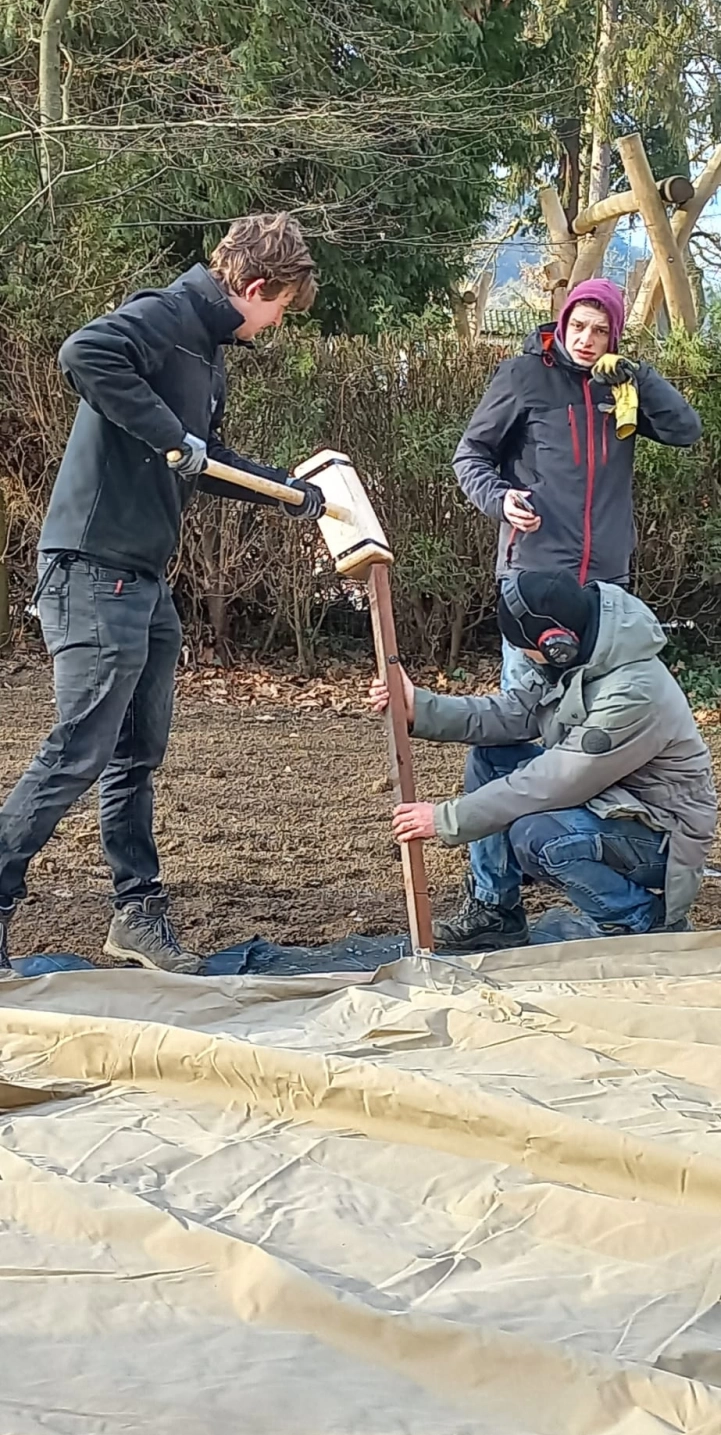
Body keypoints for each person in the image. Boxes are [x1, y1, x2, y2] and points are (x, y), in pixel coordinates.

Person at [0, 212, 327, 978]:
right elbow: (83, 354)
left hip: (142, 579)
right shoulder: (164, 315)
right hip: (91, 569)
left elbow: (208, 461)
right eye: (280, 309)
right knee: (78, 752)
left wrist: (285, 491)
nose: (277, 324)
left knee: (135, 754)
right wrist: (171, 437)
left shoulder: (206, 352)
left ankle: (136, 915)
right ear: (254, 286)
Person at [369, 571, 716, 953]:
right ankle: (495, 912)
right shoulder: (580, 651)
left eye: (525, 649)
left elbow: (557, 780)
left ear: (556, 644)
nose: (521, 656)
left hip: (663, 834)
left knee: (538, 836)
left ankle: (641, 922)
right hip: (613, 802)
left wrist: (446, 818)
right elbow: (515, 713)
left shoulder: (634, 692)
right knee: (491, 759)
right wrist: (420, 707)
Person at [452, 278, 702, 689]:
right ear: (564, 321)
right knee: (524, 706)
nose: (586, 339)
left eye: (600, 331)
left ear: (613, 336)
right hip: (536, 574)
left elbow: (685, 430)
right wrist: (500, 499)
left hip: (607, 582)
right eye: (579, 326)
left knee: (597, 706)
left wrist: (640, 377)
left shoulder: (622, 388)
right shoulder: (522, 375)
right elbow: (470, 454)